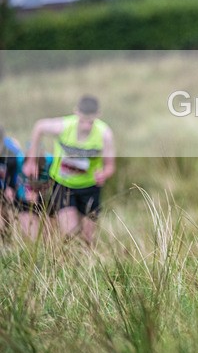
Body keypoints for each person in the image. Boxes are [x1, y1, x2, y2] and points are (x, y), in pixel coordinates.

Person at [23, 95, 115, 246]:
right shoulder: (64, 126)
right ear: (76, 112)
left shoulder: (105, 134)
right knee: (69, 234)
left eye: (90, 122)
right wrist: (32, 160)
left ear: (98, 115)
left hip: (89, 188)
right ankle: (68, 263)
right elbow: (39, 126)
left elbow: (110, 166)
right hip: (63, 185)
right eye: (83, 121)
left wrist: (104, 174)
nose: (86, 126)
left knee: (88, 239)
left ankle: (86, 265)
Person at [8, 151, 54, 241]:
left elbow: (57, 189)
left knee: (48, 236)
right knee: (32, 236)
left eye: (34, 171)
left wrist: (39, 197)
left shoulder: (50, 162)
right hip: (23, 204)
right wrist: (9, 187)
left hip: (46, 205)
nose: (30, 173)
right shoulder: (17, 160)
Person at [0, 126, 24, 240]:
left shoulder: (13, 154)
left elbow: (16, 174)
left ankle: (8, 236)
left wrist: (10, 188)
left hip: (13, 185)